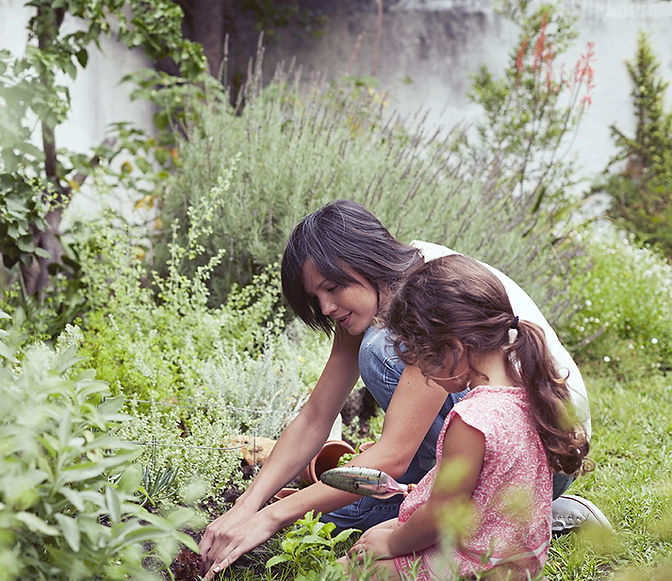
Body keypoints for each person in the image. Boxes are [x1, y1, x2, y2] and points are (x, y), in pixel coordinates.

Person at [198, 200, 599, 579]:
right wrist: (248, 506)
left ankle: (510, 512)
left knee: (377, 355)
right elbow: (316, 416)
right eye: (316, 297)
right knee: (336, 513)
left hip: (543, 459)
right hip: (522, 450)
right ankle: (505, 515)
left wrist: (271, 518)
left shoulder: (431, 297)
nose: (325, 307)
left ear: (364, 261)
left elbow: (391, 457)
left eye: (331, 287)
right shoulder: (377, 290)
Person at [340, 253, 592, 579]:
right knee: (381, 532)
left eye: (424, 360)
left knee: (346, 570)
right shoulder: (529, 389)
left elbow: (440, 516)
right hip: (515, 556)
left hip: (475, 564)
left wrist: (391, 544)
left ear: (454, 349)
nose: (425, 376)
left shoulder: (472, 421)